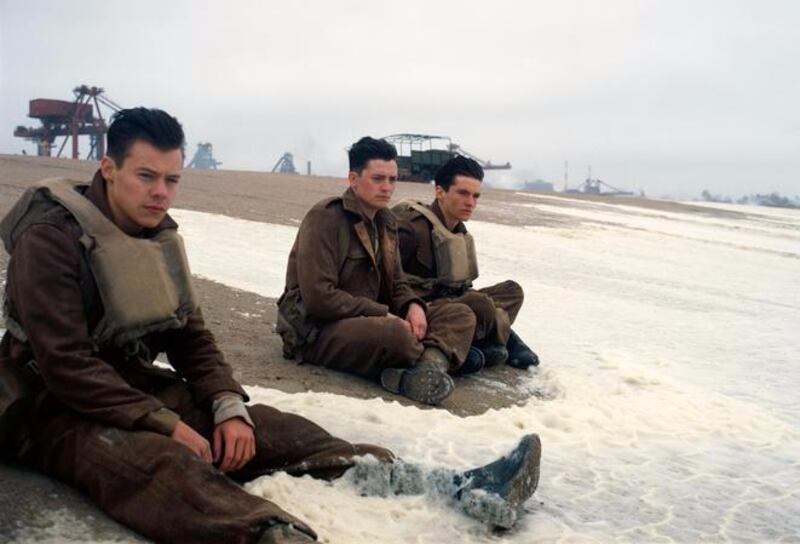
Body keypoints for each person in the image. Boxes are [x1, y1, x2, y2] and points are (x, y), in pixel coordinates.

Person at [0, 111, 541, 543]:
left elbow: (191, 336)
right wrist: (167, 424)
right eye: (146, 176)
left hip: (129, 381)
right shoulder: (50, 238)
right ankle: (271, 535)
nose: (161, 192)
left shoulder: (156, 234)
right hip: (47, 401)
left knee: (274, 430)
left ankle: (443, 486)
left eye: (171, 179)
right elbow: (65, 363)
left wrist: (226, 405)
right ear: (108, 168)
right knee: (158, 463)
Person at [278, 137, 480, 406]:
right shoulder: (326, 218)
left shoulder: (386, 222)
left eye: (392, 180)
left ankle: (428, 368)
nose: (387, 188)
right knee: (396, 335)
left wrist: (412, 306)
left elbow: (397, 282)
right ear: (353, 179)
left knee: (461, 313)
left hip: (371, 319)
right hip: (317, 330)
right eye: (378, 179)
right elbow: (319, 298)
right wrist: (382, 313)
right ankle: (426, 362)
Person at [393, 155, 540, 373]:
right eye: (463, 193)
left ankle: (478, 342)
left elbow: (462, 285)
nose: (470, 202)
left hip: (455, 304)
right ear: (440, 192)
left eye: (475, 196)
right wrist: (414, 305)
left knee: (512, 292)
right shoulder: (412, 229)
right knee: (477, 304)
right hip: (422, 312)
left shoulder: (459, 232)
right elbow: (384, 280)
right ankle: (502, 339)